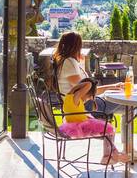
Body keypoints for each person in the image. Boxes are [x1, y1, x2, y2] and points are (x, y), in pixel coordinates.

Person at [51, 32, 127, 164]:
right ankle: (123, 150)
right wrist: (110, 87)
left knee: (122, 101)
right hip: (82, 107)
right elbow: (84, 90)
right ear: (76, 46)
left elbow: (88, 91)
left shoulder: (65, 61)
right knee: (128, 105)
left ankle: (112, 153)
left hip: (79, 104)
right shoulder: (69, 62)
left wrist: (112, 86)